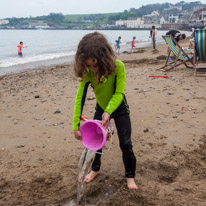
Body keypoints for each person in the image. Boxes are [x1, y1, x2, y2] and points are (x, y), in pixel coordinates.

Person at [72, 32, 137, 190]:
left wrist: (108, 112)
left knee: (126, 143)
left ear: (104, 59)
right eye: (88, 66)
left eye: (95, 65)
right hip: (101, 107)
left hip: (119, 107)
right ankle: (96, 168)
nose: (92, 69)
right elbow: (80, 96)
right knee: (95, 143)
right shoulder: (88, 72)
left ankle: (130, 176)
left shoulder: (118, 67)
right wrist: (75, 125)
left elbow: (119, 93)